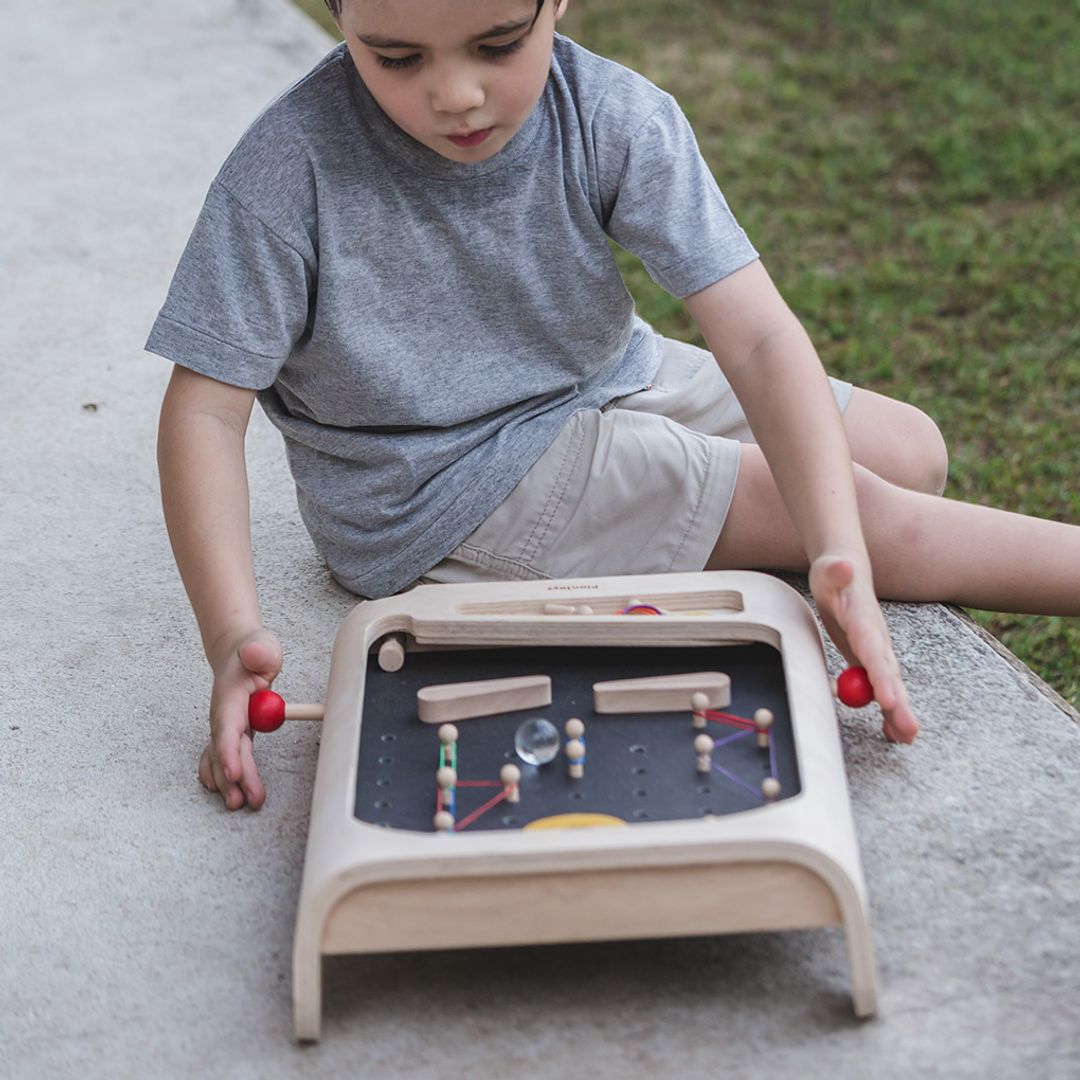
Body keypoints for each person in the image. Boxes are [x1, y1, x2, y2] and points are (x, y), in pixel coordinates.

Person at [150, 0, 1079, 811]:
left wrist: (832, 548)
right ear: (339, 14)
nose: (456, 94)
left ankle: (774, 535)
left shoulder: (611, 110)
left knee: (908, 450)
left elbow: (755, 337)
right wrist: (230, 632)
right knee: (865, 511)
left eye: (499, 42)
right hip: (443, 480)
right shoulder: (283, 170)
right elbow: (204, 411)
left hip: (601, 373)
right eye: (398, 58)